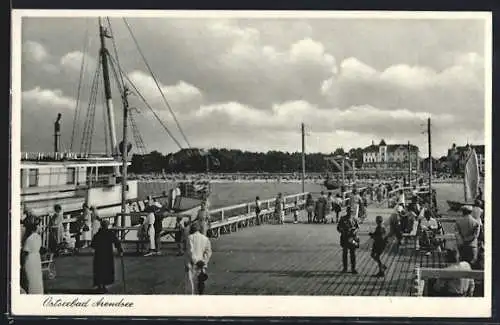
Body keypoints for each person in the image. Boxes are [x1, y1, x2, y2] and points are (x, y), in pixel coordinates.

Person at [91, 219, 123, 293]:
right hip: (107, 254)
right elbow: (117, 242)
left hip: (99, 255)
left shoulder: (97, 234)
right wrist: (120, 250)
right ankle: (104, 286)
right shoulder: (110, 233)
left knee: (99, 270)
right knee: (106, 270)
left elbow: (93, 245)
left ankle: (99, 286)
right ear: (107, 226)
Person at [185, 222, 212, 295]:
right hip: (202, 265)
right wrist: (204, 261)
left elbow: (190, 251)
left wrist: (196, 261)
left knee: (191, 286)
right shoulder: (205, 239)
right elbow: (208, 252)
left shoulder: (190, 237)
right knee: (200, 285)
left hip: (192, 265)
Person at [21, 215, 44, 294]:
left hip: (31, 259)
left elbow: (25, 252)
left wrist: (22, 264)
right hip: (34, 258)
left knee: (32, 278)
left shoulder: (29, 238)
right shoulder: (36, 237)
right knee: (35, 277)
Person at [337, 207, 359, 274]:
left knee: (353, 253)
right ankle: (345, 268)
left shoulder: (354, 219)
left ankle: (353, 268)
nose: (350, 213)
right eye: (349, 211)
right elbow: (338, 227)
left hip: (352, 238)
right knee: (345, 253)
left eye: (351, 211)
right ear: (347, 211)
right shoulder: (343, 219)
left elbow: (357, 227)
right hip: (345, 237)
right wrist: (342, 231)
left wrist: (355, 231)